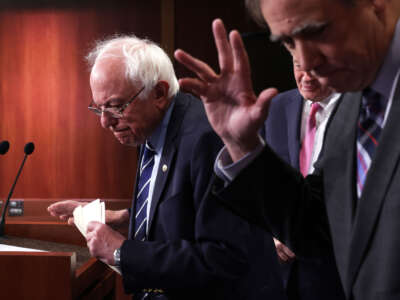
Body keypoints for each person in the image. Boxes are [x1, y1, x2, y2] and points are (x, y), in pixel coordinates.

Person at [174, 0, 400, 299]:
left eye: (317, 31)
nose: (305, 64)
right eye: (288, 42)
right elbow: (318, 227)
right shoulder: (353, 101)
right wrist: (243, 145)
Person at [48, 35, 286, 300]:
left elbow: (225, 259)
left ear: (159, 93)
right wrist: (128, 220)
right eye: (99, 108)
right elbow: (192, 210)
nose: (105, 122)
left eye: (115, 107)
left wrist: (122, 251)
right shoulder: (150, 127)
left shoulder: (205, 139)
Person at [266, 61, 345, 300]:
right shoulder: (275, 108)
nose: (306, 77)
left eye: (316, 67)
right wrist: (269, 233)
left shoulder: (358, 109)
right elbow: (262, 187)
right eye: (299, 66)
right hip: (280, 274)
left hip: (335, 273)